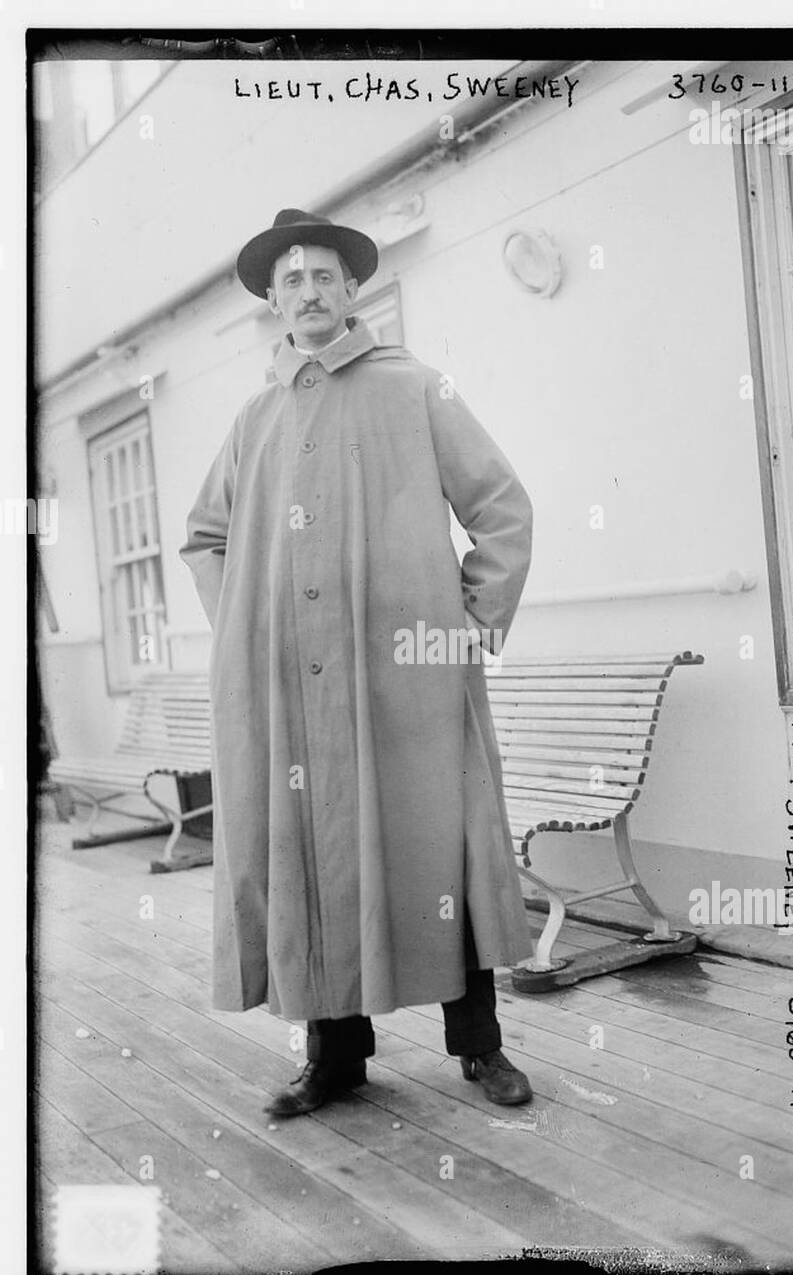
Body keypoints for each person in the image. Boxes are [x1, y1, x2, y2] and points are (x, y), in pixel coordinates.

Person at [180, 209, 535, 1117]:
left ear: (351, 291)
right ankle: (336, 1059)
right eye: (291, 280)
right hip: (294, 696)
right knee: (315, 856)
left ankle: (479, 1048)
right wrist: (244, 635)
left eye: (325, 277)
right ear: (272, 301)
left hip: (405, 679)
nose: (309, 292)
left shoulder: (414, 387)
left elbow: (500, 508)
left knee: (437, 846)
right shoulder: (255, 417)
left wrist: (467, 621)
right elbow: (205, 538)